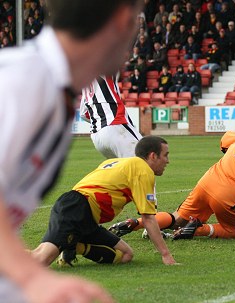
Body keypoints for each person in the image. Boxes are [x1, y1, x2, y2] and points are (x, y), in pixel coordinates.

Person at [0, 0, 144, 302]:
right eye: (138, 20)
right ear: (120, 21)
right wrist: (32, 278)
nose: (138, 34)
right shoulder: (24, 81)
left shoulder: (52, 87)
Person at [110, 100, 235, 241]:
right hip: (229, 196)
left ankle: (135, 223)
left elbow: (225, 142)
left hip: (209, 180)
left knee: (178, 218)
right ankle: (198, 230)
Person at [31, 136, 178, 267]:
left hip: (85, 215)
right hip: (77, 209)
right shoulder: (142, 170)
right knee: (41, 259)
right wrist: (166, 255)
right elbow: (148, 218)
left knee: (126, 254)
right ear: (153, 156)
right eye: (165, 155)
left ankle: (74, 246)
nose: (168, 161)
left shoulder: (118, 162)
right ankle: (9, 261)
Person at [80, 74, 143, 159]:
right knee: (145, 157)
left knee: (123, 169)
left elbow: (83, 114)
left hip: (97, 136)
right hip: (115, 124)